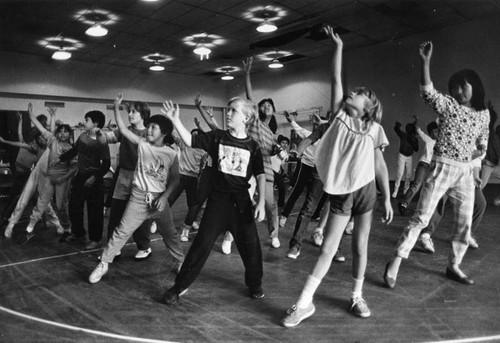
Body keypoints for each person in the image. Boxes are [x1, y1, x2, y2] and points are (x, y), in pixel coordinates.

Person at [282, 26, 392, 327]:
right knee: (328, 248)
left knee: (360, 246)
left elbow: (380, 164)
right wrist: (338, 46)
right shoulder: (340, 115)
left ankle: (357, 295)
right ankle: (304, 303)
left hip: (366, 192)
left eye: (360, 94)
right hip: (342, 193)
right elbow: (335, 79)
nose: (352, 92)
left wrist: (388, 197)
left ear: (368, 107)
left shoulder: (374, 129)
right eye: (352, 90)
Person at [384, 41, 490, 288]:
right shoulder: (450, 106)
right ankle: (396, 261)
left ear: (476, 85)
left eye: (463, 86)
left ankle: (454, 264)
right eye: (454, 88)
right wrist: (425, 61)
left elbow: (483, 133)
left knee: (464, 222)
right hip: (442, 166)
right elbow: (428, 91)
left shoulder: (483, 113)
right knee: (421, 217)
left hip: (464, 171)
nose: (458, 91)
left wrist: (481, 148)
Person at [161, 97, 266, 305]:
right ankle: (179, 287)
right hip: (218, 203)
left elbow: (261, 174)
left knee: (251, 247)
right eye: (228, 110)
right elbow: (191, 141)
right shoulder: (217, 137)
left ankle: (255, 285)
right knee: (201, 245)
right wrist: (175, 120)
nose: (228, 114)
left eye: (233, 111)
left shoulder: (253, 146)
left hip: (242, 204)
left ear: (246, 117)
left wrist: (261, 201)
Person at [89, 94, 184, 284]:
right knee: (121, 231)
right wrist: (116, 108)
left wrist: (165, 197)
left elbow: (176, 179)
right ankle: (104, 264)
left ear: (163, 133)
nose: (148, 130)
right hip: (138, 198)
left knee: (170, 234)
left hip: (159, 200)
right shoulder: (142, 144)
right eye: (148, 127)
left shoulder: (171, 154)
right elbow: (123, 129)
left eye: (153, 128)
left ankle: (180, 261)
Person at [220, 57, 280, 253]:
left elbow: (273, 153)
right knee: (240, 203)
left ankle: (274, 234)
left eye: (269, 106)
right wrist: (246, 74)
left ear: (273, 111)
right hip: (247, 170)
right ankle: (229, 237)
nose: (265, 107)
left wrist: (282, 152)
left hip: (266, 172)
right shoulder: (253, 122)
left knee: (270, 205)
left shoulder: (271, 134)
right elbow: (249, 96)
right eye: (263, 105)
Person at [96, 98, 153, 260]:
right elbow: (104, 139)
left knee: (141, 215)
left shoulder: (149, 132)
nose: (130, 114)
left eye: (133, 111)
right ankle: (114, 247)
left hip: (142, 178)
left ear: (143, 114)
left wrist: (115, 109)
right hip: (123, 176)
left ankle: (144, 246)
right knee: (116, 213)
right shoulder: (124, 131)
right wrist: (99, 133)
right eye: (129, 111)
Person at [20, 103, 77, 244]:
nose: (63, 133)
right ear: (58, 133)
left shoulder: (71, 150)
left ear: (70, 134)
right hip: (49, 178)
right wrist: (31, 114)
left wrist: (62, 178)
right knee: (41, 203)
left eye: (66, 131)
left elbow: (73, 169)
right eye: (61, 131)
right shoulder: (52, 141)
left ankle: (67, 229)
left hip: (62, 180)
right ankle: (29, 230)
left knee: (60, 206)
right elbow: (41, 128)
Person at [66, 111, 110, 250]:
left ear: (95, 123)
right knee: (74, 205)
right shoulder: (83, 136)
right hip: (81, 175)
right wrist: (60, 160)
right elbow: (74, 150)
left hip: (94, 177)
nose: (84, 122)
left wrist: (94, 178)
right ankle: (78, 233)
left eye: (87, 120)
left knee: (94, 210)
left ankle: (95, 239)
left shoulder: (101, 140)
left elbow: (106, 164)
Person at [167, 128, 206, 242]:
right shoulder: (184, 145)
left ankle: (188, 226)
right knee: (170, 199)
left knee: (192, 204)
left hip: (193, 178)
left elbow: (202, 166)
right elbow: (174, 134)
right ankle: (155, 220)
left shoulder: (203, 151)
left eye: (195, 136)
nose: (193, 138)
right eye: (192, 135)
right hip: (180, 176)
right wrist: (172, 120)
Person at [398, 120, 438, 215]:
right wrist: (415, 122)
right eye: (433, 132)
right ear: (430, 133)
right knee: (416, 185)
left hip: (432, 167)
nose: (435, 134)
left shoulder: (441, 143)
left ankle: (425, 210)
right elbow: (418, 130)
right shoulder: (428, 139)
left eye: (436, 131)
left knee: (430, 188)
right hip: (423, 165)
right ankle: (403, 204)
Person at [392, 116, 419, 198]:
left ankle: (405, 190)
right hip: (402, 156)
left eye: (409, 129)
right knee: (399, 173)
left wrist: (413, 141)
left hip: (409, 157)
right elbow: (396, 129)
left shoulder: (414, 139)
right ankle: (395, 190)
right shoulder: (403, 135)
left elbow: (416, 149)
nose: (408, 130)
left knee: (408, 175)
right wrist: (397, 125)